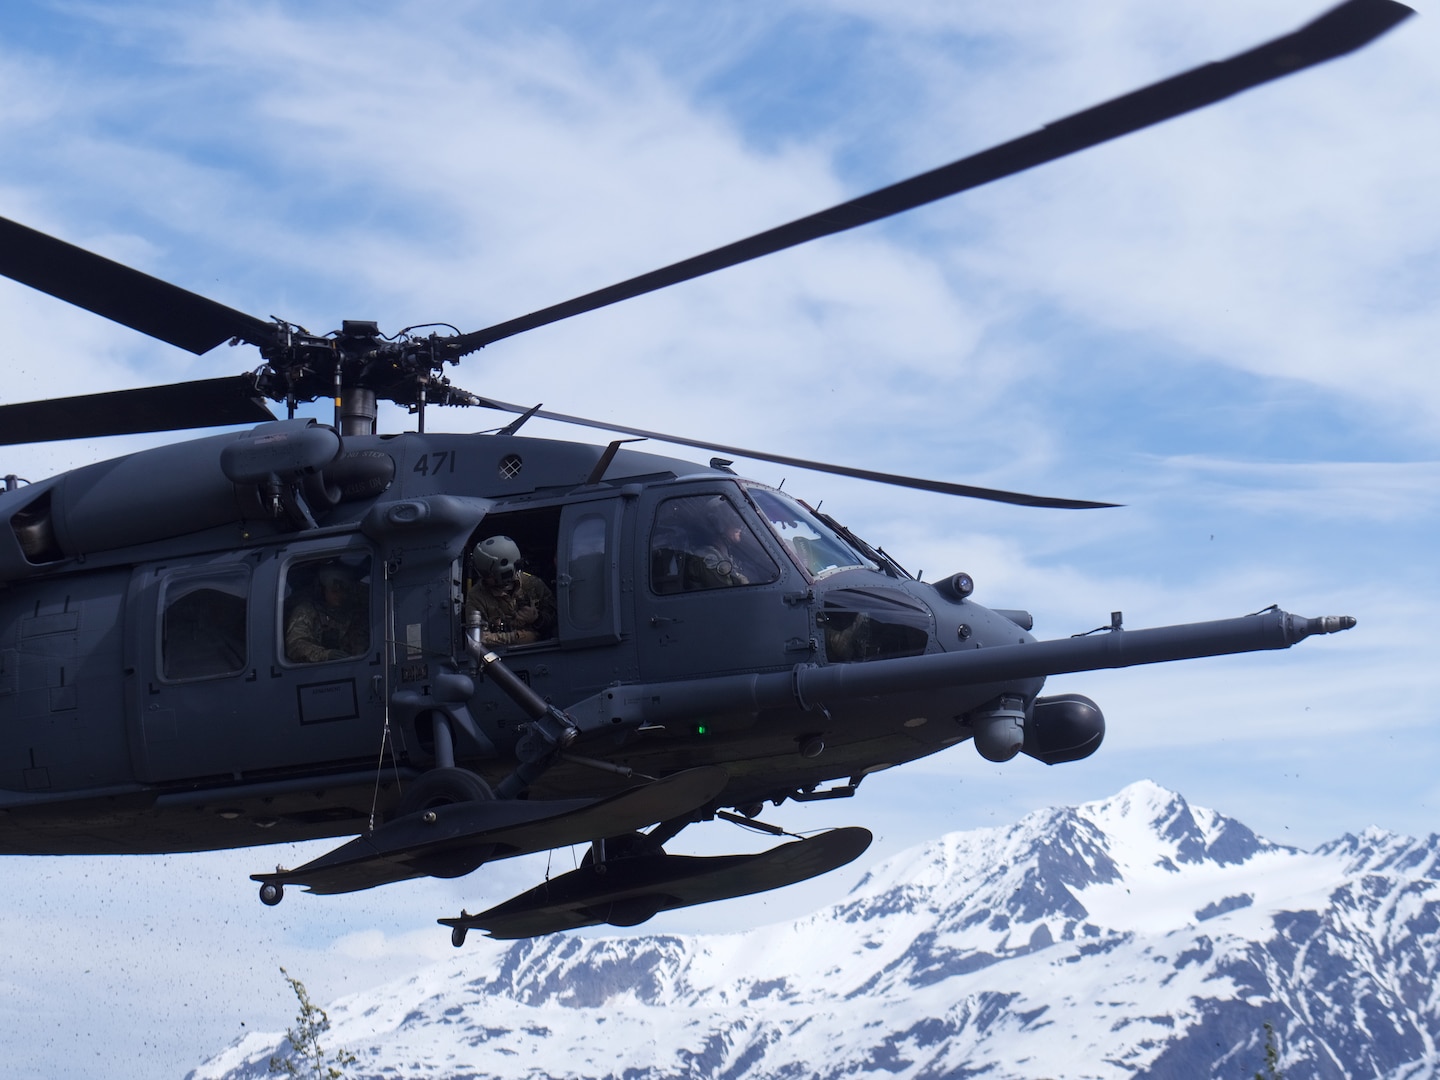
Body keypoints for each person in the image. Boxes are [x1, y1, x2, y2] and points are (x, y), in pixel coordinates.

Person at [464, 535, 556, 648]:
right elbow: (478, 638)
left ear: (504, 572)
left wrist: (537, 619)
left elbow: (557, 620)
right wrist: (518, 637)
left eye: (487, 574)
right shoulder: (476, 596)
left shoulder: (533, 584)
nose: (483, 578)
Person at [285, 561, 369, 663]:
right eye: (334, 591)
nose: (340, 596)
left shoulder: (355, 613)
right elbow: (295, 644)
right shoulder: (306, 611)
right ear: (322, 590)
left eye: (344, 591)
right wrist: (325, 655)